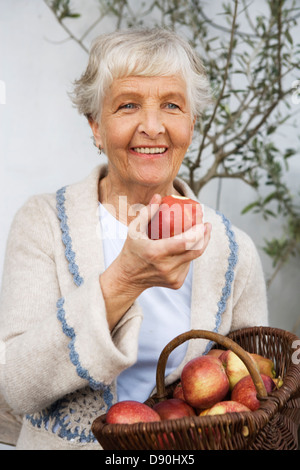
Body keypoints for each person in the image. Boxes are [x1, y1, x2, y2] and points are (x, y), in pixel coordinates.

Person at [0, 28, 268, 450]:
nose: (152, 126)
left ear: (191, 124)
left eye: (171, 106)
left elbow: (258, 390)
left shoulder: (233, 251)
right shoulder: (43, 223)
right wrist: (124, 280)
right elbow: (16, 385)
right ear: (96, 127)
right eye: (128, 105)